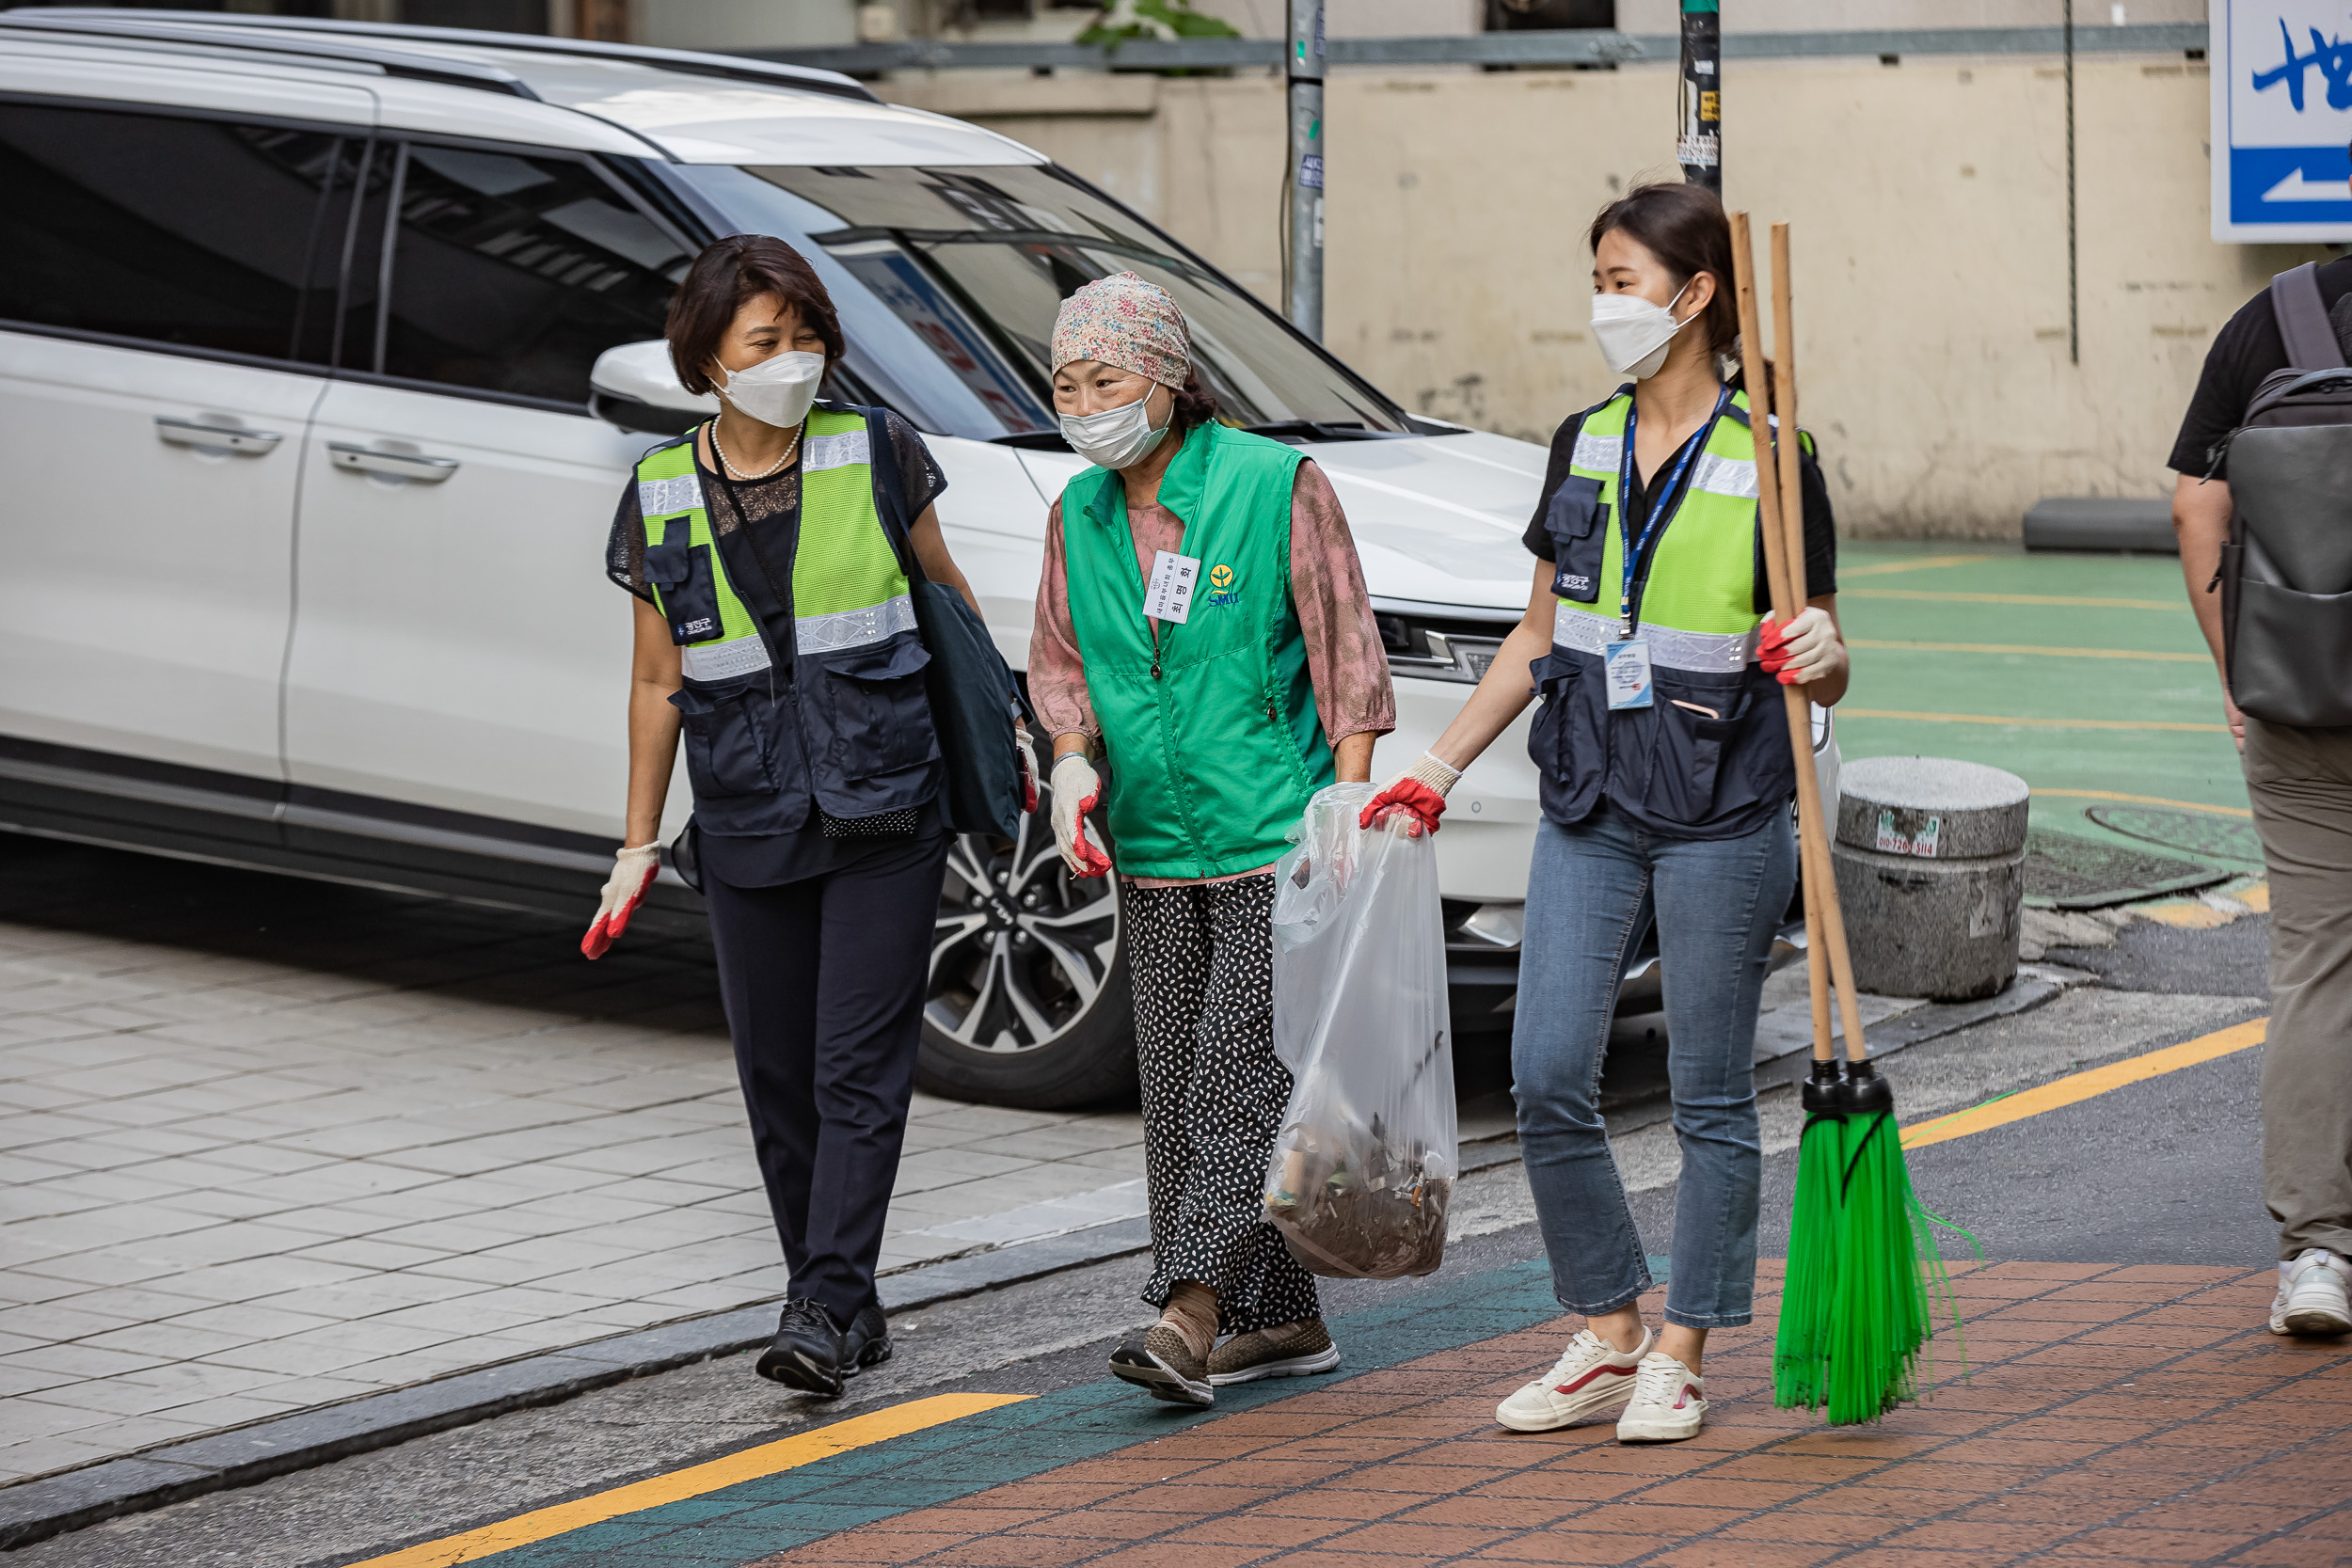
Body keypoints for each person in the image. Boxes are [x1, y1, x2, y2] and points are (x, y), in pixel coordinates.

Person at [1361, 182, 1845, 1444]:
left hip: (1723, 804)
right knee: (1543, 1071)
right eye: (1597, 276)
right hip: (1588, 791)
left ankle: (1681, 1346)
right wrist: (1443, 764)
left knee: (1705, 1091)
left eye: (1621, 278)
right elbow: (1541, 633)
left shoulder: (1774, 458)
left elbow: (1826, 656)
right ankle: (1610, 1327)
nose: (1601, 302)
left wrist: (1823, 650)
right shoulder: (1580, 440)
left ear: (1694, 297)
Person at [582, 234, 1021, 1398]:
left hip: (886, 804)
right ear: (708, 359)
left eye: (807, 336)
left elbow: (946, 601)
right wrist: (636, 843)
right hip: (746, 813)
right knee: (776, 1078)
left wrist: (1008, 734)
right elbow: (652, 679)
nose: (793, 359)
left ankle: (820, 1305)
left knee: (854, 1070)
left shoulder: (875, 449)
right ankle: (841, 1300)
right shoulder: (661, 488)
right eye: (764, 342)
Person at [1028, 272, 1393, 1407]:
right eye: (1067, 381)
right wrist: (1071, 758)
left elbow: (1344, 648)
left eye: (1107, 377)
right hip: (1149, 845)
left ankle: (1187, 1314)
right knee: (1183, 1088)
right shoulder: (1075, 515)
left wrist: (1345, 801)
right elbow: (1062, 662)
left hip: (1270, 837)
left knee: (1237, 1077)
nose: (1085, 401)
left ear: (1169, 378)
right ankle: (1279, 1316)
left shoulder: (1270, 482)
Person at [2169, 250, 2352, 1338]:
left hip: (2295, 697)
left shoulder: (2273, 316)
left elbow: (2198, 504)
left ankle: (2317, 1252)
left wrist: (2239, 668)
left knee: (2317, 959)